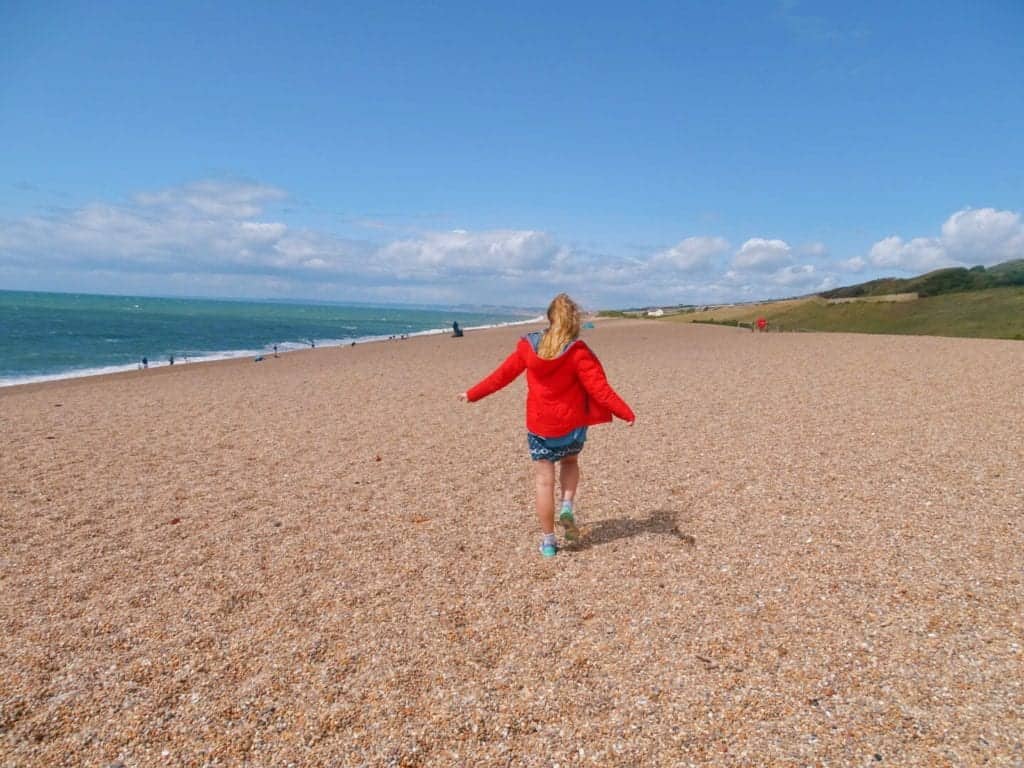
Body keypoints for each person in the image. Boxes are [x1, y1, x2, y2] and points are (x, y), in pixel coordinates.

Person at [459, 293, 635, 558]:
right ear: (573, 320)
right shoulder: (578, 352)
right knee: (571, 463)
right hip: (572, 426)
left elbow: (502, 376)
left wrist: (473, 394)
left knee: (543, 482)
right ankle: (566, 505)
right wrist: (625, 412)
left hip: (541, 427)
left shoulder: (529, 348)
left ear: (549, 318)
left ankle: (549, 542)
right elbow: (599, 389)